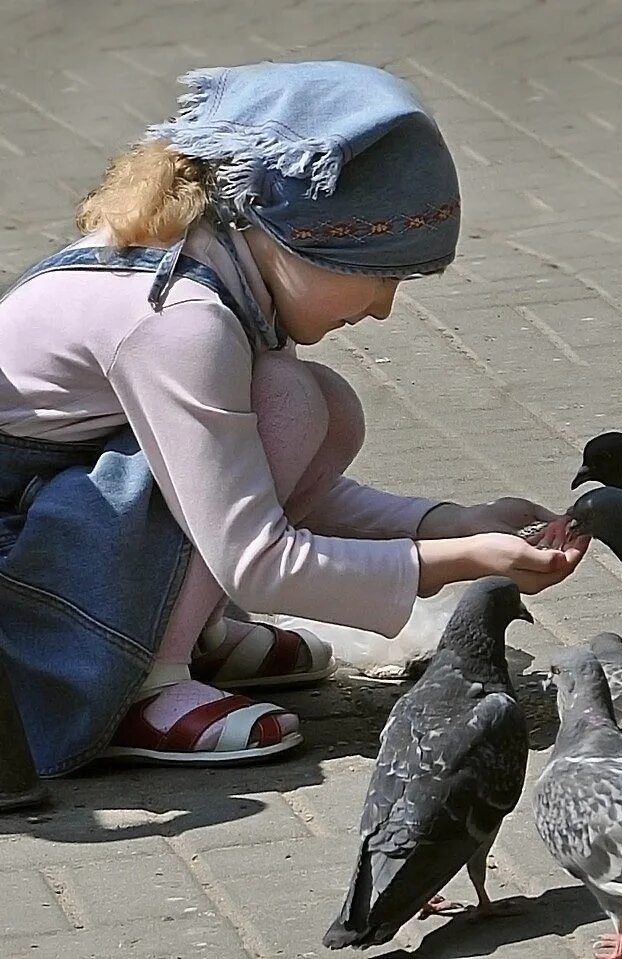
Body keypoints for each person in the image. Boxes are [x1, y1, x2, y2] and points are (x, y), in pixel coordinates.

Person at [0, 61, 588, 776]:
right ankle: (141, 684)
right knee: (292, 401)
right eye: (380, 273)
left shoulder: (222, 263)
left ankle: (187, 632)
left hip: (51, 517)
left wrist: (449, 521)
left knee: (313, 402)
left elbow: (241, 484)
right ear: (294, 238)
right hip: (22, 584)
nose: (383, 306)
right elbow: (258, 557)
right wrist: (460, 562)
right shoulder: (182, 322)